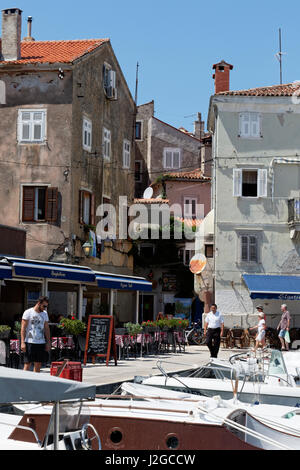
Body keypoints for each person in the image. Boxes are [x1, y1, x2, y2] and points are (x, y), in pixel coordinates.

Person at [21, 296, 51, 373]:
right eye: (44, 306)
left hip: (41, 342)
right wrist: (22, 342)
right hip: (30, 342)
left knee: (38, 364)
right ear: (38, 303)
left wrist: (48, 342)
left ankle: (35, 382)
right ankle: (23, 382)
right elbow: (23, 328)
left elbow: (46, 328)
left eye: (46, 306)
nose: (45, 308)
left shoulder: (45, 314)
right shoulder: (28, 312)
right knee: (27, 364)